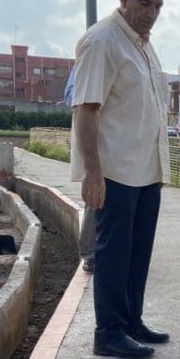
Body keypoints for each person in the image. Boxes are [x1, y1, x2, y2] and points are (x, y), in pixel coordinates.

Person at [71, 0, 171, 359]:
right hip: (115, 170)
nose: (151, 13)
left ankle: (131, 321)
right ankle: (108, 332)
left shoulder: (143, 45)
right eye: (144, 3)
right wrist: (93, 173)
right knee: (113, 254)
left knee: (138, 252)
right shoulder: (103, 41)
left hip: (146, 169)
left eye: (158, 6)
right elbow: (85, 109)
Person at [65, 65, 96, 273]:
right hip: (98, 140)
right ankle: (90, 253)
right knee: (95, 199)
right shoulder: (86, 61)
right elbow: (71, 98)